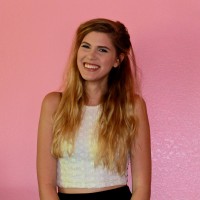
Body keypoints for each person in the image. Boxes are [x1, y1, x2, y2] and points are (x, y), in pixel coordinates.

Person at [37, 18, 151, 200]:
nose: (91, 56)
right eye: (85, 46)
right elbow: (46, 185)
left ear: (117, 60)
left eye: (102, 50)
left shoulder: (132, 106)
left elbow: (142, 186)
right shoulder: (53, 104)